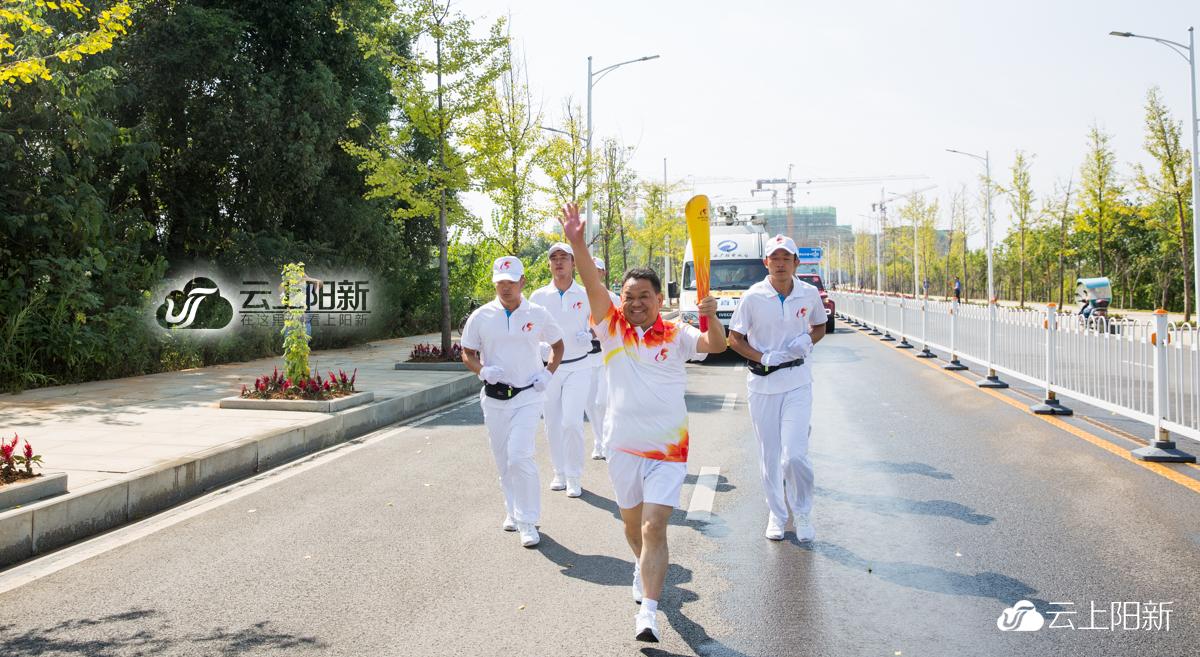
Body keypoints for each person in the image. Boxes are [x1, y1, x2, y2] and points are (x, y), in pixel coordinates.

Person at [558, 203, 727, 643]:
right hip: (621, 445)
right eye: (629, 297)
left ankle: (648, 614)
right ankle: (642, 570)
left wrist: (709, 313)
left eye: (644, 297)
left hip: (668, 449)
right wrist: (576, 241)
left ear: (658, 299)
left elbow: (714, 343)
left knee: (655, 526)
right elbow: (593, 285)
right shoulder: (611, 328)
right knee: (633, 529)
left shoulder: (677, 333)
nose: (635, 304)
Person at [727, 235, 828, 542]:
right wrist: (763, 357)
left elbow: (820, 325)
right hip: (763, 384)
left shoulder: (809, 294)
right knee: (770, 456)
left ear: (796, 262)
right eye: (775, 258)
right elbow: (735, 338)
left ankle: (803, 511)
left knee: (794, 456)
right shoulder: (753, 296)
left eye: (787, 258)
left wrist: (806, 341)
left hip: (797, 382)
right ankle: (777, 513)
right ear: (766, 262)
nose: (781, 264)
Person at [461, 256, 565, 548]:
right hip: (494, 399)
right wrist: (482, 370)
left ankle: (528, 520)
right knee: (504, 459)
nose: (505, 288)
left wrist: (548, 373)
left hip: (527, 395)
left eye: (510, 282)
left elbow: (558, 346)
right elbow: (467, 352)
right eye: (500, 283)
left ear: (522, 282)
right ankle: (512, 510)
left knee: (521, 455)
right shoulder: (481, 316)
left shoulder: (538, 313)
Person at [529, 243, 594, 497]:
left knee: (571, 422)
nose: (558, 262)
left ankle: (575, 475)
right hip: (550, 369)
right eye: (553, 258)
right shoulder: (538, 297)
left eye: (564, 258)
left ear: (573, 263)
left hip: (579, 365)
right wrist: (540, 347)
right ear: (549, 264)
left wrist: (589, 336)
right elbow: (530, 331)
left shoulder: (585, 294)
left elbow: (601, 322)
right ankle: (560, 472)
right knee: (553, 423)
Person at [586, 257, 622, 460]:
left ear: (603, 273)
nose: (593, 273)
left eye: (597, 270)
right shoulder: (579, 296)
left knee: (602, 402)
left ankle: (608, 440)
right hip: (583, 359)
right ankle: (598, 441)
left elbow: (616, 324)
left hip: (605, 356)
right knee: (590, 403)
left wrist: (593, 333)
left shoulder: (613, 298)